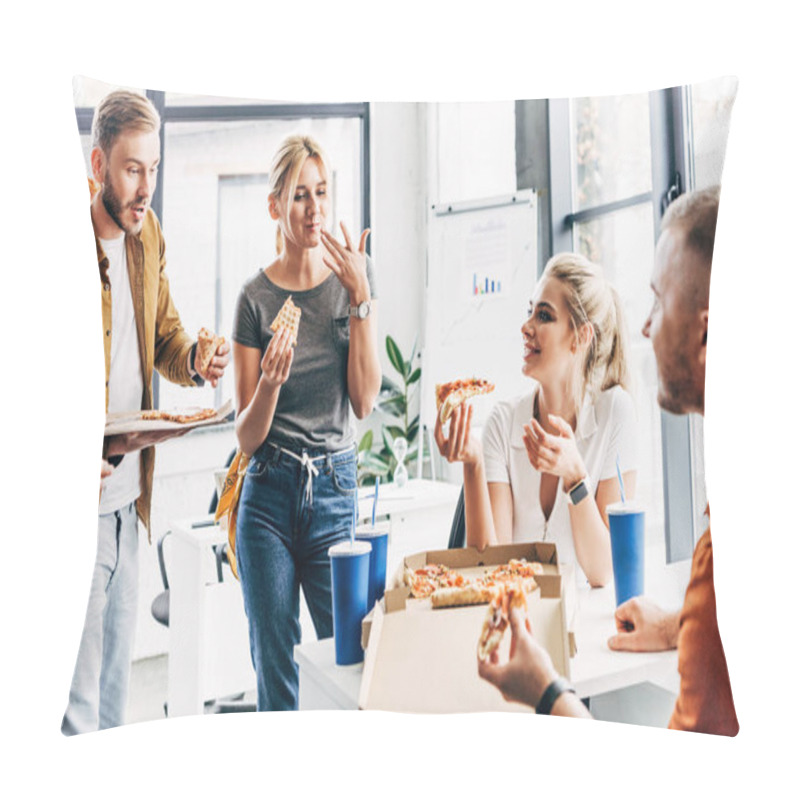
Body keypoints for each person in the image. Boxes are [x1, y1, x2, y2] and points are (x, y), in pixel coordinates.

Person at [478, 186, 739, 736]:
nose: (644, 326)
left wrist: (547, 691)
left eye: (660, 301)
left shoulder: (726, 550)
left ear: (707, 330)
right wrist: (676, 625)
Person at [61, 90, 230, 736]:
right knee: (73, 709)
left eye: (153, 169)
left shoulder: (146, 235)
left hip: (132, 503)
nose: (145, 188)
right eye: (132, 169)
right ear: (98, 161)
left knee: (113, 699)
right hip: (80, 508)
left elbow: (164, 337)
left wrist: (197, 362)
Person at [232, 134, 381, 711]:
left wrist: (361, 298)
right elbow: (247, 436)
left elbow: (365, 402)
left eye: (322, 192)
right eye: (299, 195)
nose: (315, 208)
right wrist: (270, 381)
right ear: (275, 206)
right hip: (267, 495)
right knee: (277, 668)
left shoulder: (352, 283)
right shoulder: (255, 299)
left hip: (334, 493)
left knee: (349, 661)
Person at [435, 253, 637, 587]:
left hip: (586, 625)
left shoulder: (615, 412)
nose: (526, 327)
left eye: (544, 315)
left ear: (581, 336)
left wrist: (575, 477)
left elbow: (603, 572)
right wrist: (473, 464)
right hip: (518, 623)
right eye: (530, 311)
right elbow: (490, 566)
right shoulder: (503, 421)